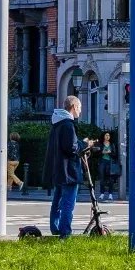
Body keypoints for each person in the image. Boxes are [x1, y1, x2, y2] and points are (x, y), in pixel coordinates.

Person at [45, 95, 84, 238]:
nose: (80, 111)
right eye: (79, 108)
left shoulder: (57, 123)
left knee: (57, 201)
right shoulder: (68, 124)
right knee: (68, 203)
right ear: (73, 107)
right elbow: (71, 148)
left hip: (59, 169)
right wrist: (84, 144)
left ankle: (55, 228)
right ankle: (65, 232)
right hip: (69, 170)